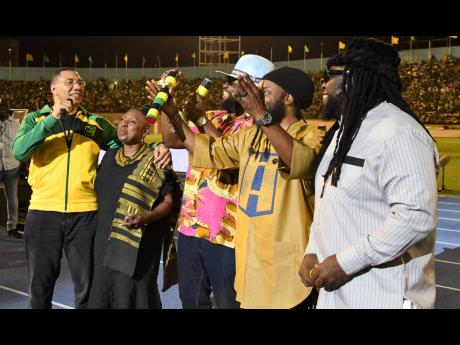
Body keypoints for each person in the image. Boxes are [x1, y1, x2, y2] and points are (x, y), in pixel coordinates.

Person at [152, 66, 324, 308]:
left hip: (288, 267)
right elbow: (208, 151)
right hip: (251, 263)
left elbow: (299, 161)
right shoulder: (250, 135)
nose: (256, 97)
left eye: (265, 92)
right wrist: (172, 112)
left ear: (288, 98)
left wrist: (260, 114)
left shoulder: (313, 136)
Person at [12, 68, 171, 309]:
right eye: (70, 82)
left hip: (85, 216)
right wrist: (54, 116)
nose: (77, 85)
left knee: (86, 290)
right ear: (54, 89)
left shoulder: (96, 123)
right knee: (39, 290)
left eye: (80, 82)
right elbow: (19, 151)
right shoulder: (35, 119)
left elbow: (129, 139)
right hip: (43, 213)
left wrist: (158, 144)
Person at [298, 38, 439, 309]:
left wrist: (346, 261)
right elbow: (330, 204)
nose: (324, 85)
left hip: (382, 296)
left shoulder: (399, 132)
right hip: (337, 294)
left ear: (355, 78)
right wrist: (312, 249)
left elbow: (415, 217)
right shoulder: (342, 132)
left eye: (331, 76)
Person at [146, 55, 275, 308]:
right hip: (192, 226)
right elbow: (173, 139)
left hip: (229, 233)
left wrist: (202, 120)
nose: (226, 86)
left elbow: (227, 156)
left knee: (228, 302)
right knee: (191, 300)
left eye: (232, 81)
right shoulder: (216, 116)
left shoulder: (261, 127)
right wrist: (167, 105)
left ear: (255, 86)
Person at [88, 108, 177, 309]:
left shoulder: (156, 159)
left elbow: (169, 202)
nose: (123, 124)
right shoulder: (109, 157)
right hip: (104, 242)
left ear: (145, 131)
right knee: (103, 294)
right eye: (122, 120)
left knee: (135, 296)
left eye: (131, 121)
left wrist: (147, 217)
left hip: (138, 245)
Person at [0, 101, 22, 238]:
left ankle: (12, 227)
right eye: (0, 107)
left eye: (4, 107)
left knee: (12, 198)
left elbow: (20, 143)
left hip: (12, 166)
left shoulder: (16, 123)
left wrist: (22, 163)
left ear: (8, 109)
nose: (2, 109)